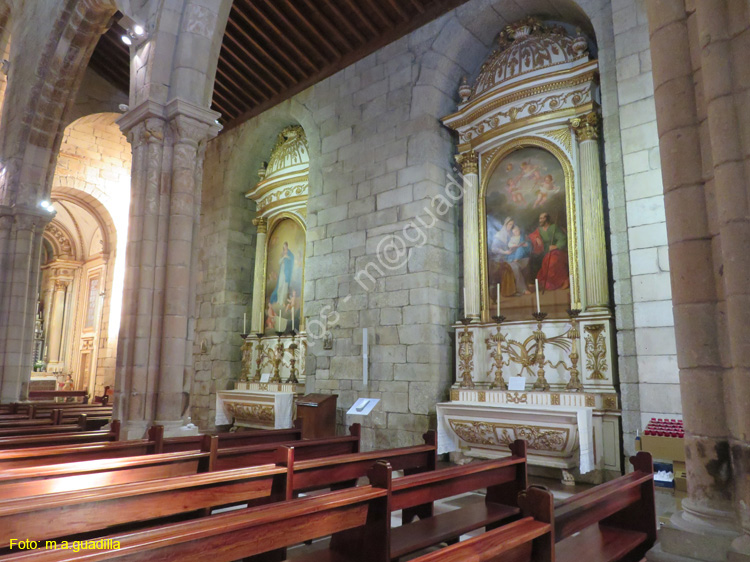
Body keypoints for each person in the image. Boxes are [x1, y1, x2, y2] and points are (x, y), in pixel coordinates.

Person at [529, 212, 569, 291]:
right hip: (544, 251)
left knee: (552, 262)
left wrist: (556, 246)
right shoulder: (539, 230)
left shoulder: (554, 228)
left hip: (557, 251)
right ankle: (537, 283)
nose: (540, 220)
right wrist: (536, 238)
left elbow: (562, 238)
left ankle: (562, 281)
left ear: (546, 219)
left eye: (542, 218)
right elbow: (532, 235)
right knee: (533, 261)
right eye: (540, 218)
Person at [270, 242, 294, 311]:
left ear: (287, 246)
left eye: (285, 246)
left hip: (287, 273)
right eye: (284, 247)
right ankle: (279, 300)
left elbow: (292, 260)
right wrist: (283, 257)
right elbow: (279, 262)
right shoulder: (282, 253)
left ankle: (282, 301)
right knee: (280, 286)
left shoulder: (290, 253)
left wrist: (288, 258)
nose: (285, 248)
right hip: (282, 272)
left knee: (285, 287)